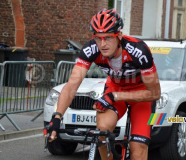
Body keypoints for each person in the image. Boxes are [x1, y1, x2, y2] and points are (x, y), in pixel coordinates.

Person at [48, 9, 161, 160]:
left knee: (138, 150)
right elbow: (71, 86)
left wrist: (115, 96)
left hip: (142, 95)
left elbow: (155, 93)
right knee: (102, 132)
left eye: (108, 38)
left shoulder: (139, 50)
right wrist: (57, 117)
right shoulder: (91, 49)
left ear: (119, 36)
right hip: (115, 88)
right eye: (98, 38)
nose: (103, 44)